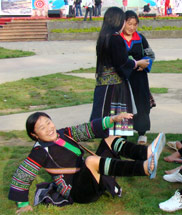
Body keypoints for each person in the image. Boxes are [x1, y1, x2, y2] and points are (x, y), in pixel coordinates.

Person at [8, 112, 166, 214]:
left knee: (109, 139)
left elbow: (86, 129)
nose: (49, 128)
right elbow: (22, 175)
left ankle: (145, 153)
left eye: (48, 122)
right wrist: (22, 204)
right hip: (78, 191)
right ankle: (144, 168)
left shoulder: (63, 133)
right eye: (42, 128)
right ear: (34, 135)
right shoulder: (39, 152)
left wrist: (113, 119)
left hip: (88, 177)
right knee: (91, 161)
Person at [90, 7, 149, 138]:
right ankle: (115, 145)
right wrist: (137, 63)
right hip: (115, 85)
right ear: (118, 21)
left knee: (105, 115)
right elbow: (121, 63)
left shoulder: (103, 37)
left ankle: (110, 143)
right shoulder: (116, 39)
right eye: (124, 21)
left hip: (103, 83)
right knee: (117, 117)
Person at [120, 10, 155, 144]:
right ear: (123, 23)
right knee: (124, 105)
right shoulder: (117, 39)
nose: (132, 27)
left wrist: (145, 64)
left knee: (141, 104)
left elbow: (151, 55)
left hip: (139, 78)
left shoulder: (140, 39)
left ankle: (142, 132)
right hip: (123, 78)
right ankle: (123, 134)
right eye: (129, 24)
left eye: (135, 24)